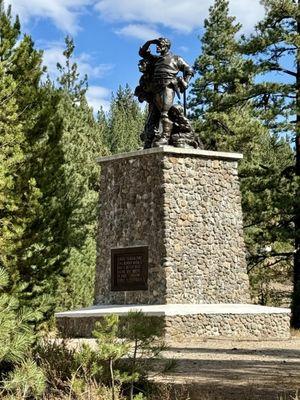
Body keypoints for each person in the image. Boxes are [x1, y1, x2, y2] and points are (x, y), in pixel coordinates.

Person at [136, 37, 194, 148]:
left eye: (159, 44)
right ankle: (149, 139)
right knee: (152, 116)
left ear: (166, 46)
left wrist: (186, 81)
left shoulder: (176, 58)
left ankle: (165, 137)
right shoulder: (156, 59)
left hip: (168, 86)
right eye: (157, 45)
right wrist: (150, 42)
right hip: (155, 88)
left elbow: (189, 69)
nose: (157, 47)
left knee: (164, 113)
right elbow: (142, 53)